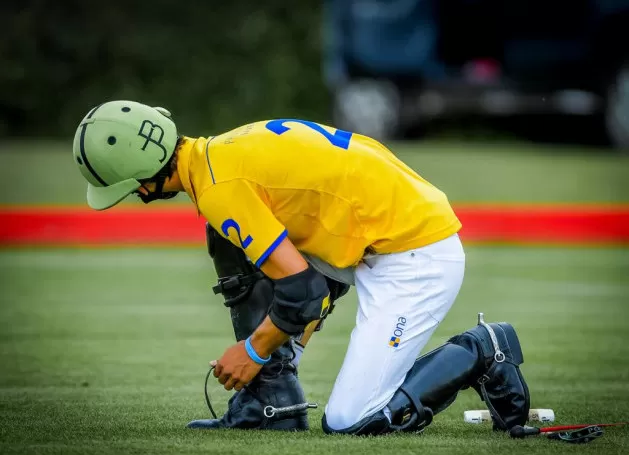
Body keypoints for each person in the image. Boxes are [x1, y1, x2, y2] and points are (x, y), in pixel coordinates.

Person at [72, 100, 530, 435]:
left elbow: (305, 291)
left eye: (130, 188)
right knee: (230, 241)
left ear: (143, 180)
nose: (136, 195)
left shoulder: (218, 188)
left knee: (352, 420)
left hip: (414, 255)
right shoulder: (218, 151)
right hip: (379, 236)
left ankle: (483, 350)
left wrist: (252, 352)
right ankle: (271, 401)